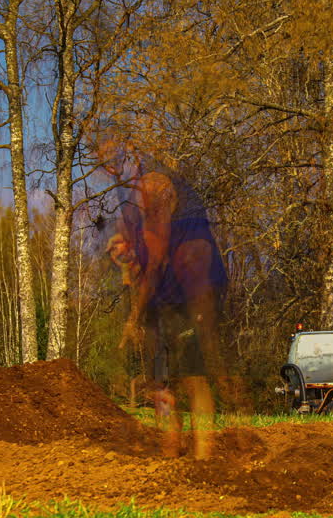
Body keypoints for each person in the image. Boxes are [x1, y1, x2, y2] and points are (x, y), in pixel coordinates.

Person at [102, 133, 240, 459]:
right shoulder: (136, 204)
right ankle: (171, 452)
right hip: (164, 297)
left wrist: (135, 317)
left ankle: (203, 456)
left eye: (116, 159)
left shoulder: (160, 192)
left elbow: (158, 260)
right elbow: (143, 264)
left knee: (193, 375)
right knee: (162, 382)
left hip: (194, 293)